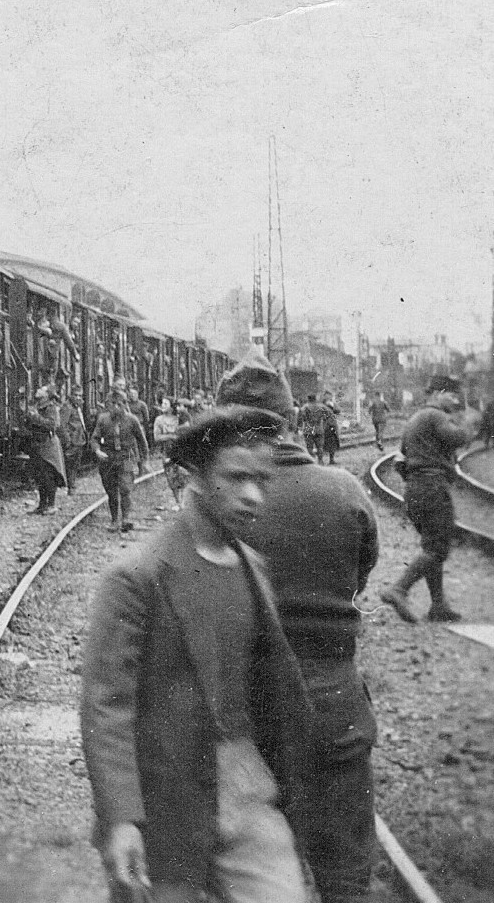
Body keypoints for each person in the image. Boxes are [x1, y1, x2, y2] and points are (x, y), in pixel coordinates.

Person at [82, 405, 313, 903]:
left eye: (262, 480)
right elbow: (107, 708)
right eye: (236, 478)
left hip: (248, 791)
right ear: (198, 478)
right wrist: (121, 819)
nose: (253, 495)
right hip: (167, 803)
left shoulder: (252, 568)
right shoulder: (137, 576)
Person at [219, 350, 380, 903]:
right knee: (345, 877)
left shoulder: (221, 503)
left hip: (248, 710)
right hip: (334, 700)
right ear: (290, 419)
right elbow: (360, 574)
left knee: (252, 878)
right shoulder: (343, 489)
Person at [380, 374, 479, 623]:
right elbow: (458, 438)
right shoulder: (436, 416)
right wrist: (469, 422)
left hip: (415, 489)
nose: (455, 401)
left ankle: (438, 605)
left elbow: (401, 458)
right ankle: (399, 589)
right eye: (451, 396)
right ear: (438, 393)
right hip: (433, 488)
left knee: (431, 547)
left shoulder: (416, 418)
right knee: (438, 548)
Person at [91, 385, 149, 531]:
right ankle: (114, 520)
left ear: (125, 404)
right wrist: (97, 451)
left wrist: (144, 461)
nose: (116, 407)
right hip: (108, 458)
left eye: (119, 404)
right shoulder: (103, 419)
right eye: (113, 404)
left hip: (127, 457)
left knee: (125, 488)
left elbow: (142, 441)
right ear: (108, 405)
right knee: (111, 491)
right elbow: (95, 438)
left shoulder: (132, 420)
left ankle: (126, 519)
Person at [20, 384, 66, 514]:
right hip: (39, 444)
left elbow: (52, 425)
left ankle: (51, 505)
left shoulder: (51, 408)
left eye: (42, 389)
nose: (39, 390)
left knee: (49, 475)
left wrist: (34, 417)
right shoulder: (38, 406)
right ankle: (42, 505)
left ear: (47, 395)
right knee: (40, 476)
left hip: (48, 445)